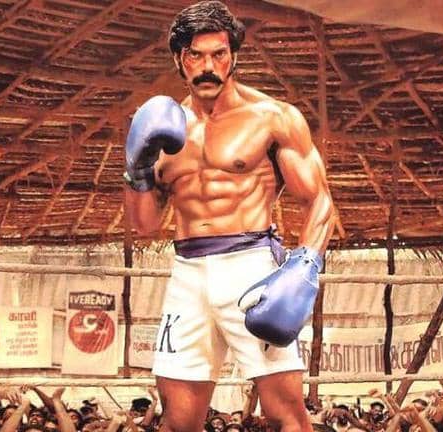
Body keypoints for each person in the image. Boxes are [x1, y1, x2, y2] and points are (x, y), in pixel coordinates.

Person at [123, 1, 334, 432]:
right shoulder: (164, 128)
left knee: (286, 414)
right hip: (187, 272)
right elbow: (144, 225)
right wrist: (137, 169)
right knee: (178, 420)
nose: (208, 67)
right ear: (179, 59)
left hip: (249, 265)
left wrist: (305, 265)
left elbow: (319, 201)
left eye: (218, 54)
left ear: (233, 56)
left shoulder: (272, 118)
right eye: (195, 56)